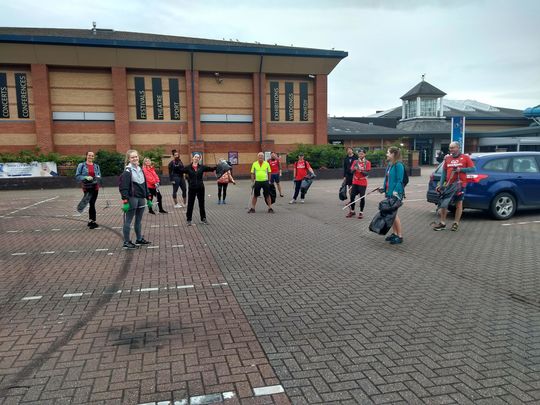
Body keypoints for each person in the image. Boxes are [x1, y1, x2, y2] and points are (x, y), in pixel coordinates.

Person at [433, 141, 476, 232]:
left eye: (452, 147)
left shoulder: (465, 157)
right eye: (450, 148)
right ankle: (442, 223)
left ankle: (455, 223)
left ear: (458, 148)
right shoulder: (447, 158)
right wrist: (441, 185)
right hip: (448, 185)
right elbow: (444, 172)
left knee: (459, 204)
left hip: (460, 185)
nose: (451, 149)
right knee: (444, 203)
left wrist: (461, 169)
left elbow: (473, 169)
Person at [119, 150, 152, 249]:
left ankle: (139, 239)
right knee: (128, 221)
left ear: (138, 157)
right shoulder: (127, 171)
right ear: (129, 159)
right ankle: (127, 242)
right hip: (132, 198)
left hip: (141, 198)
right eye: (132, 157)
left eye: (136, 157)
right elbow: (123, 187)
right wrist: (125, 201)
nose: (135, 159)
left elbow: (145, 185)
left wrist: (149, 198)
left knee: (138, 220)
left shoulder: (140, 169)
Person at [180, 154, 216, 225]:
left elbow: (211, 169)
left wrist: (218, 167)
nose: (196, 158)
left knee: (201, 204)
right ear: (192, 158)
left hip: (200, 188)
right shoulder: (188, 168)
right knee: (190, 204)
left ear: (199, 159)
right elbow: (180, 171)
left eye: (198, 157)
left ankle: (203, 219)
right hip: (192, 188)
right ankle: (189, 220)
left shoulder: (202, 167)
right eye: (195, 157)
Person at [381, 147, 405, 244]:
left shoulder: (399, 165)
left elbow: (400, 180)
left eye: (388, 152)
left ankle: (399, 236)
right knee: (392, 215)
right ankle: (394, 234)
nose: (387, 154)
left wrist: (395, 192)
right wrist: (383, 188)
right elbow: (386, 179)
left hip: (395, 194)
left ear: (393, 154)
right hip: (388, 193)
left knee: (394, 215)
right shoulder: (390, 165)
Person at [75, 151, 101, 229]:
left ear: (94, 157)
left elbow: (99, 175)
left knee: (92, 203)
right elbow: (77, 176)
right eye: (89, 155)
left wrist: (98, 178)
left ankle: (91, 220)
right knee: (92, 203)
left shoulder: (96, 166)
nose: (91, 157)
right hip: (87, 187)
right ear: (86, 156)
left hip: (95, 187)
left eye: (92, 156)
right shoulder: (81, 165)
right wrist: (85, 177)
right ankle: (92, 221)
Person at [346, 149, 371, 219]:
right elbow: (351, 171)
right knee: (352, 196)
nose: (361, 155)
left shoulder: (367, 162)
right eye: (359, 154)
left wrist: (361, 170)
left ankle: (361, 212)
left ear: (365, 154)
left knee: (362, 197)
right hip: (355, 181)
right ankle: (352, 211)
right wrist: (354, 169)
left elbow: (367, 173)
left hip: (363, 182)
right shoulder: (355, 161)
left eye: (362, 154)